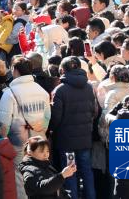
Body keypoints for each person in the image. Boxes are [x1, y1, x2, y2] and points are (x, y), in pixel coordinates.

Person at [47, 57, 97, 199]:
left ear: (62, 70)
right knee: (87, 172)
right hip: (85, 138)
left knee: (69, 172)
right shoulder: (89, 87)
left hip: (66, 140)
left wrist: (51, 130)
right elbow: (94, 111)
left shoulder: (60, 90)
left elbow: (56, 118)